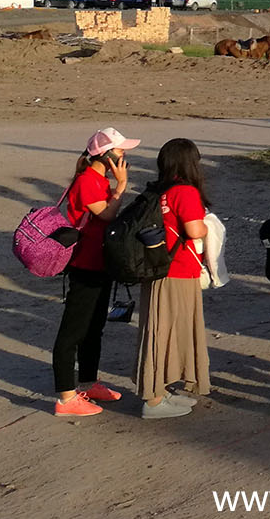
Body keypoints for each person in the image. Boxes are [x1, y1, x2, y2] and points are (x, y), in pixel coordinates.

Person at [51, 127, 138, 417]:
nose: (124, 154)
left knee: (94, 328)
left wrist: (116, 186)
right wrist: (122, 186)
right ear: (106, 154)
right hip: (85, 264)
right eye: (120, 150)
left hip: (100, 263)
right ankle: (65, 397)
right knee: (72, 332)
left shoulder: (99, 178)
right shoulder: (89, 180)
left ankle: (88, 382)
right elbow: (106, 214)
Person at [135, 138, 212, 419]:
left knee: (161, 330)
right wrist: (209, 227)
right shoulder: (185, 191)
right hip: (177, 269)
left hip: (159, 268)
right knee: (166, 332)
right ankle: (153, 399)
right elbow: (194, 230)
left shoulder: (158, 190)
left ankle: (159, 390)